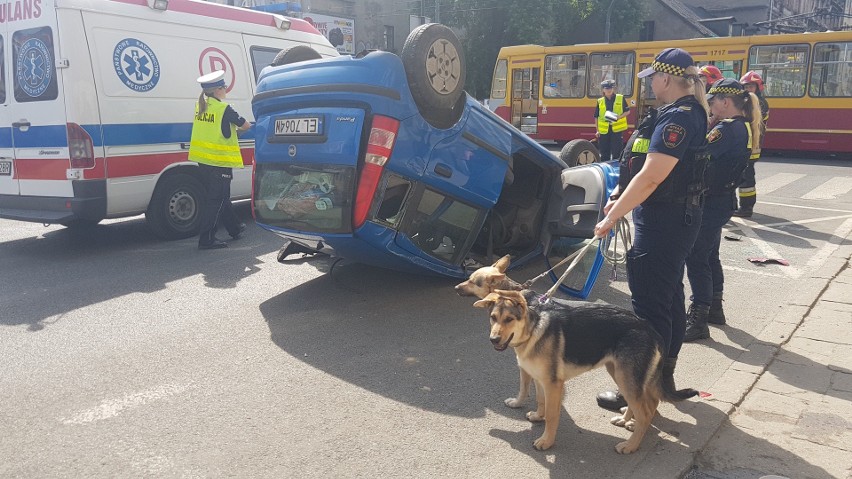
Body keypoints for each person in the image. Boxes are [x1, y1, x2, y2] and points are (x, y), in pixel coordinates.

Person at [592, 48, 710, 411]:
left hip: (663, 223)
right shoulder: (684, 112)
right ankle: (660, 382)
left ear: (665, 79)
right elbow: (641, 171)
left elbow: (652, 176)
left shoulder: (680, 118)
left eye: (653, 79)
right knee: (669, 301)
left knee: (649, 309)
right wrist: (619, 199)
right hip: (669, 221)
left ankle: (642, 395)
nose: (650, 85)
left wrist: (612, 217)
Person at [683, 79, 762, 341]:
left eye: (713, 100)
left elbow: (700, 154)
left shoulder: (726, 129)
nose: (710, 105)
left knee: (697, 258)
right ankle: (714, 308)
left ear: (725, 102)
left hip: (711, 201)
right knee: (710, 255)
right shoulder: (741, 127)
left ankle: (699, 318)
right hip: (722, 200)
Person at [189, 70, 250, 250]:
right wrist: (236, 133)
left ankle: (235, 228)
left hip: (203, 160)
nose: (226, 89)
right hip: (219, 161)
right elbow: (245, 125)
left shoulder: (200, 105)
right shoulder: (224, 108)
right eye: (224, 87)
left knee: (221, 197)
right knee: (217, 200)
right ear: (217, 90)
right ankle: (206, 239)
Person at [733, 71, 769, 218]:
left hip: (751, 145)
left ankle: (747, 207)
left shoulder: (758, 103)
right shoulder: (749, 100)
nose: (748, 89)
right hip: (746, 143)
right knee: (741, 174)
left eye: (751, 86)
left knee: (747, 177)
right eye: (746, 86)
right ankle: (741, 205)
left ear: (758, 87)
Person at [594, 79, 630, 162]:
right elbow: (596, 116)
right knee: (604, 152)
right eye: (606, 88)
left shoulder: (620, 98)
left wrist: (619, 117)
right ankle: (605, 168)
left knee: (616, 152)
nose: (609, 90)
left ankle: (616, 169)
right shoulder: (600, 101)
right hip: (604, 131)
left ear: (613, 89)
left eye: (610, 88)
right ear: (603, 90)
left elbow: (627, 111)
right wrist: (597, 130)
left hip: (616, 130)